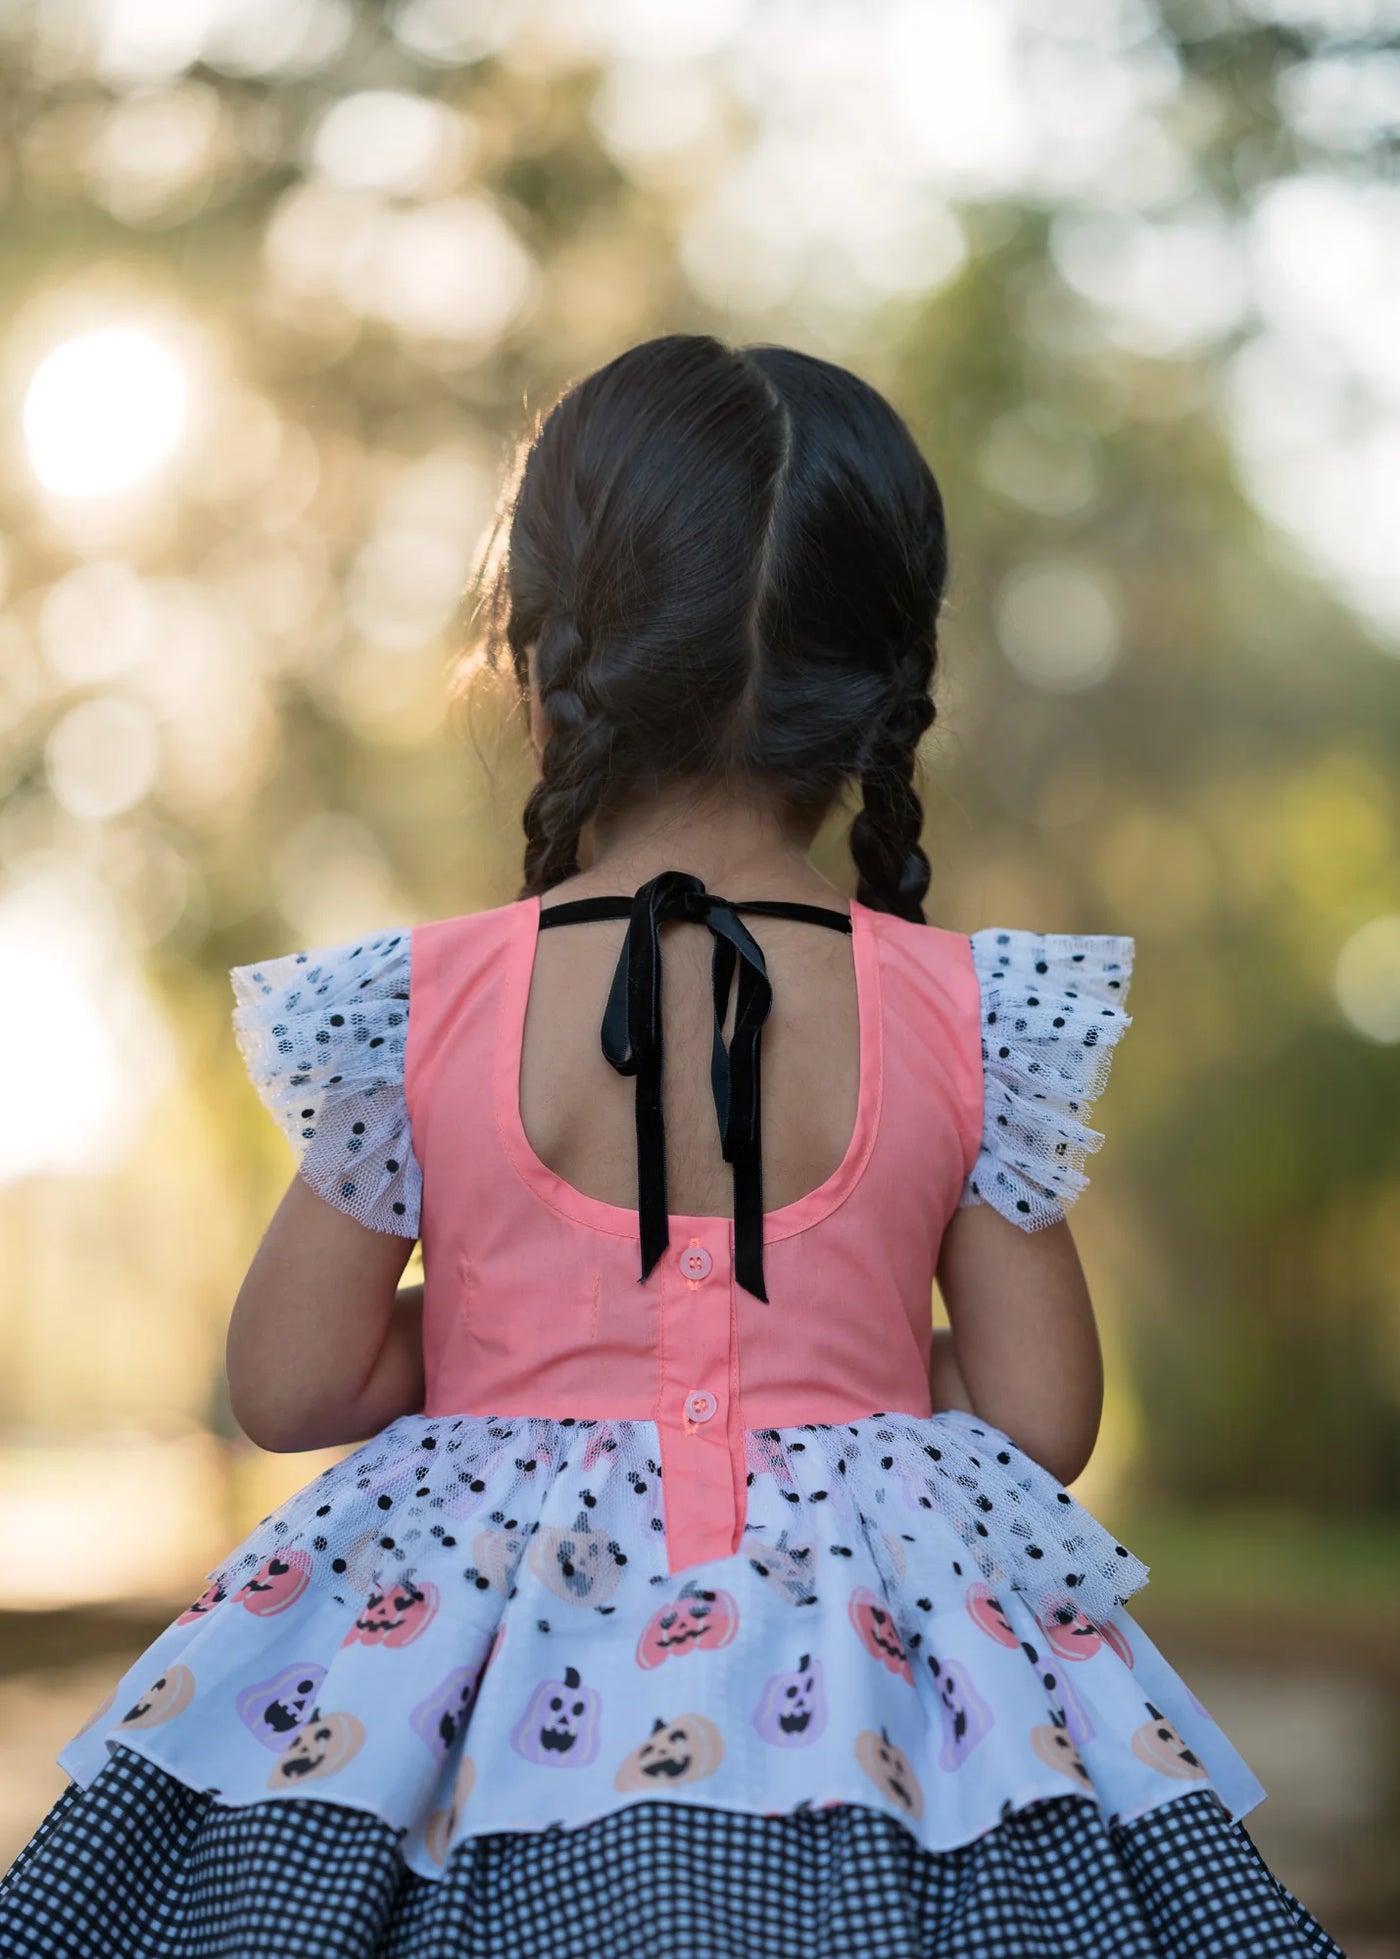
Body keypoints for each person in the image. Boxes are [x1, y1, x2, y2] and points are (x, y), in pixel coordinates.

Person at [0, 336, 1343, 1959]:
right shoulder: (970, 1011)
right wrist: (816, 1350)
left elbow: (295, 1384)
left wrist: (532, 1324)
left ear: (543, 644)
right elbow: (1039, 1416)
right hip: (874, 1680)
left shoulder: (417, 1004)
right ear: (888, 672)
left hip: (476, 1681)